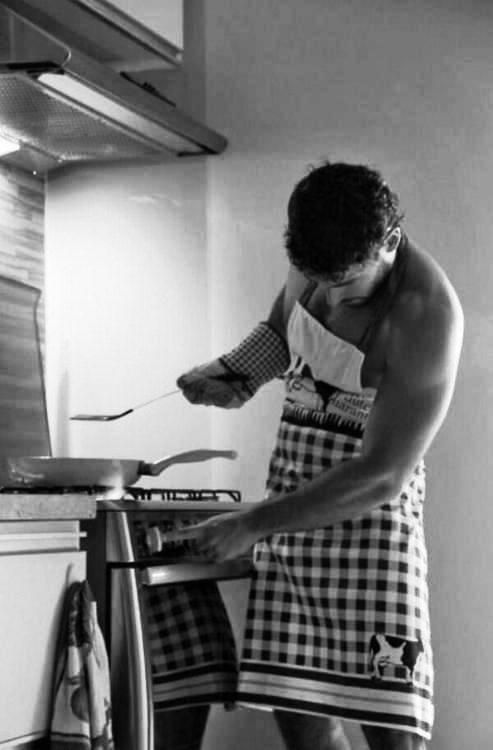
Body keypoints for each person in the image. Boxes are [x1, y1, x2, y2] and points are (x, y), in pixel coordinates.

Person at [174, 161, 464, 750]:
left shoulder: (426, 314)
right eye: (316, 278)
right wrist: (236, 374)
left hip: (372, 535)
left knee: (392, 732)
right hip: (293, 518)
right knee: (300, 719)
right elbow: (285, 328)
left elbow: (384, 474)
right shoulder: (316, 254)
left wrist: (252, 523)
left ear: (388, 243)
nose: (328, 296)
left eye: (346, 285)